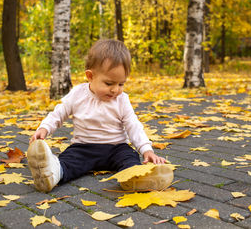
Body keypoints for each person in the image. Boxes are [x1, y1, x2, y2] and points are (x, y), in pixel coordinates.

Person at [27, 39, 173, 192]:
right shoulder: (78, 94)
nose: (115, 90)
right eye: (109, 83)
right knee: (68, 161)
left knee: (130, 158)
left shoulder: (122, 100)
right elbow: (59, 113)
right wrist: (44, 128)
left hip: (116, 148)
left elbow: (133, 126)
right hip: (83, 148)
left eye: (121, 84)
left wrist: (146, 150)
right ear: (90, 76)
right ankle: (51, 173)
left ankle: (135, 178)